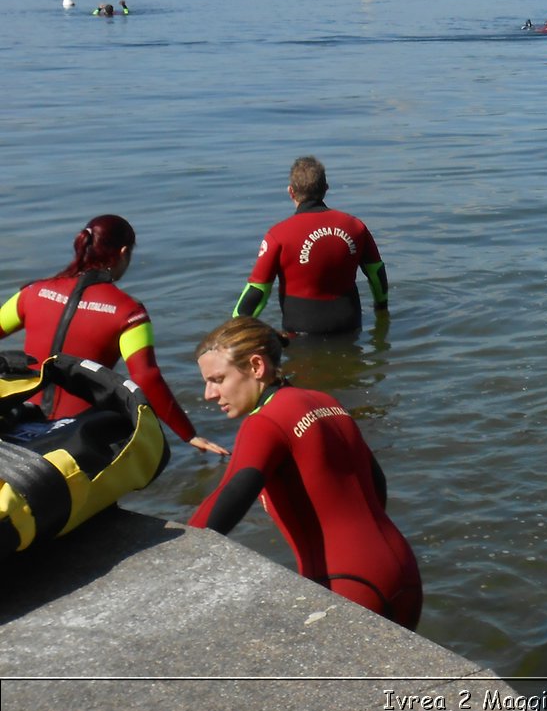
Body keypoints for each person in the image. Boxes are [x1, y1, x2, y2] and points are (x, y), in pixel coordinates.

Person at [189, 316, 423, 628]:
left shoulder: (264, 422)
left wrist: (179, 550)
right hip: (402, 571)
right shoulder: (326, 402)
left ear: (256, 367)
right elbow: (376, 485)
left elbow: (230, 496)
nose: (209, 394)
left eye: (217, 379)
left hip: (346, 582)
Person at [0, 214, 224, 453]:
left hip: (16, 423)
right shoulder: (129, 313)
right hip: (75, 436)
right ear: (123, 252)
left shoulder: (32, 293)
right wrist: (188, 434)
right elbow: (147, 378)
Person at [234, 157, 388, 335]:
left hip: (299, 331)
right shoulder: (355, 226)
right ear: (326, 189)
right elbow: (376, 273)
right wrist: (381, 309)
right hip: (349, 326)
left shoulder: (278, 234)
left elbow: (258, 290)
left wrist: (233, 330)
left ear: (291, 192)